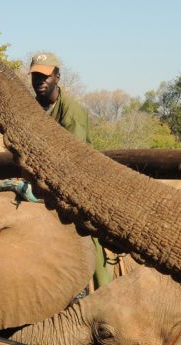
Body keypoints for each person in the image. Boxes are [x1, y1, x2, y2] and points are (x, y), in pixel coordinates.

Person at [27, 51, 115, 289]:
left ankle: (102, 287)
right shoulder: (31, 109)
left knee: (88, 229)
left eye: (45, 76)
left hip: (78, 181)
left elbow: (72, 158)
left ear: (57, 77)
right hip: (42, 181)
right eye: (36, 76)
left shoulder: (72, 111)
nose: (40, 81)